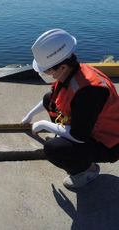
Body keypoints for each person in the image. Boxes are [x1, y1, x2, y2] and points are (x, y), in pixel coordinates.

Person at [21, 28, 119, 189]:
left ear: (63, 67)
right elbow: (52, 98)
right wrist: (30, 115)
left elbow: (79, 136)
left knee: (54, 149)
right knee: (48, 100)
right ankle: (74, 148)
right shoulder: (72, 73)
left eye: (47, 70)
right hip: (87, 128)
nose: (45, 73)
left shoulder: (89, 92)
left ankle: (86, 170)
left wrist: (45, 124)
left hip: (109, 144)